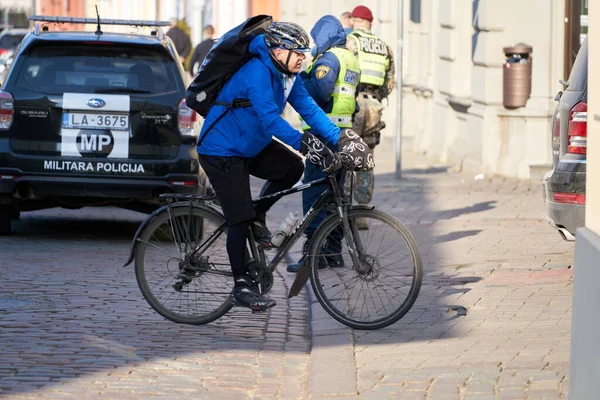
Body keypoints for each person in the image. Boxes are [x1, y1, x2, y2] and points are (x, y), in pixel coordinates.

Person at [196, 22, 372, 312]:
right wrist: (304, 142)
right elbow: (270, 120)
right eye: (299, 54)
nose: (305, 59)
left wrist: (340, 139)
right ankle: (241, 285)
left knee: (291, 168)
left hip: (250, 143)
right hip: (221, 149)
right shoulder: (257, 72)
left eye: (305, 53)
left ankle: (258, 215)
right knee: (238, 217)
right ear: (279, 52)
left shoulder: (288, 75)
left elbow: (311, 110)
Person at [287, 15, 361, 273]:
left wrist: (303, 77)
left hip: (323, 135)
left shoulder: (329, 59)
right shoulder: (351, 59)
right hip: (342, 134)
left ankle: (314, 253)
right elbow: (354, 98)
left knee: (314, 192)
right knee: (335, 195)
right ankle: (333, 252)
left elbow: (320, 91)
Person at [346, 5, 395, 230]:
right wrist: (376, 98)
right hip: (375, 107)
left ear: (354, 21)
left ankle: (345, 210)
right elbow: (389, 83)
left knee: (347, 156)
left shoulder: (351, 42)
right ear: (371, 23)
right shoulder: (385, 48)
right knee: (366, 159)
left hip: (353, 105)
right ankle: (363, 213)